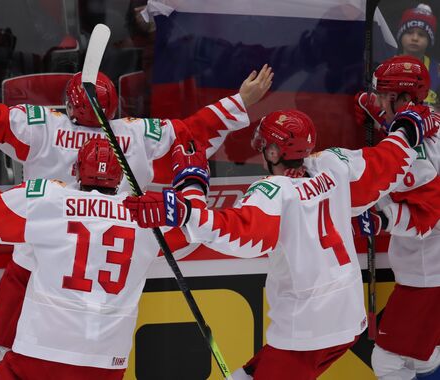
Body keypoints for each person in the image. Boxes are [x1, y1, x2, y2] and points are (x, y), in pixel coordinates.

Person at [0, 46, 274, 378]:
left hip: (37, 244)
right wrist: (234, 111)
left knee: (1, 349)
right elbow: (192, 138)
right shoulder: (137, 138)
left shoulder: (42, 128)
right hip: (114, 279)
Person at [123, 105, 437, 379]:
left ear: (274, 152)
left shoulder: (274, 192)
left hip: (307, 326)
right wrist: (407, 130)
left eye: (266, 147)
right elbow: (386, 163)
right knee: (250, 374)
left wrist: (184, 211)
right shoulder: (335, 166)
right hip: (345, 320)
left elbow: (243, 233)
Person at [0, 137, 206, 379]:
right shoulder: (145, 214)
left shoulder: (49, 199)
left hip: (41, 351)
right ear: (120, 177)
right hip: (106, 361)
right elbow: (195, 225)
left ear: (75, 170)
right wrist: (192, 179)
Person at [355, 54, 440, 379]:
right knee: (423, 356)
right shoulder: (425, 118)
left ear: (401, 97)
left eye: (383, 95)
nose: (377, 100)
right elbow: (398, 127)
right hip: (429, 270)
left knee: (390, 361)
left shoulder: (414, 153)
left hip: (427, 272)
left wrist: (383, 219)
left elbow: (429, 214)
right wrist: (378, 111)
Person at [396, 3, 440, 108]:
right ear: (401, 35)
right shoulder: (387, 67)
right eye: (409, 32)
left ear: (429, 40)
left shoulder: (437, 70)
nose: (415, 38)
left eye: (421, 34)